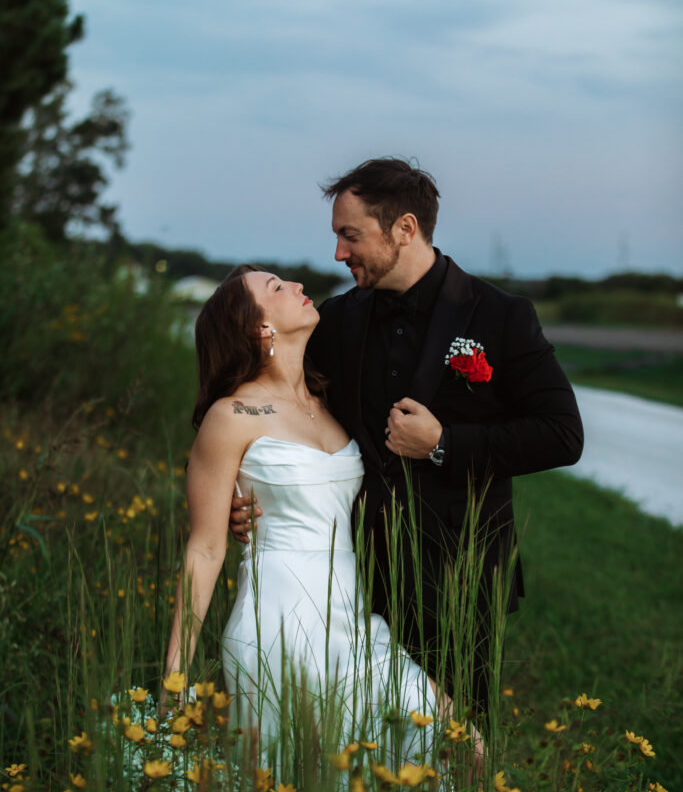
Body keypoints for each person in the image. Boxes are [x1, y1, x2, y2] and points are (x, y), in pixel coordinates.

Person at [230, 158, 584, 719]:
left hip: (461, 578)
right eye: (337, 237)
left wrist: (444, 442)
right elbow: (268, 406)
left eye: (351, 236)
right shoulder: (336, 322)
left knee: (459, 747)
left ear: (405, 229)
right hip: (352, 584)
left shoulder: (502, 317)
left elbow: (563, 435)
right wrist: (239, 491)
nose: (339, 254)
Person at [160, 265, 441, 758]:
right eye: (278, 288)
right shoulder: (232, 416)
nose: (298, 287)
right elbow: (204, 549)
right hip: (279, 625)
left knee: (448, 742)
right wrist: (175, 674)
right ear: (259, 328)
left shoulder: (327, 402)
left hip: (355, 619)